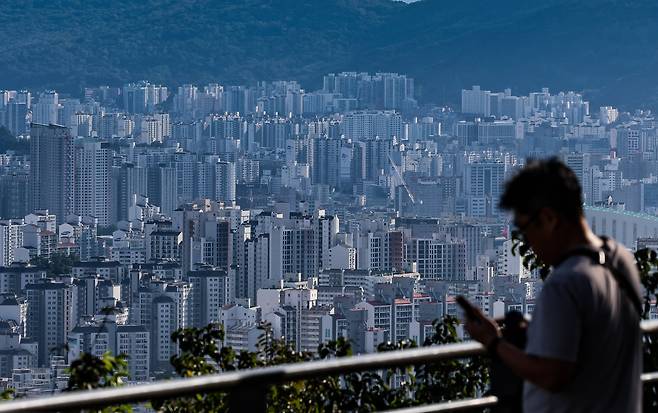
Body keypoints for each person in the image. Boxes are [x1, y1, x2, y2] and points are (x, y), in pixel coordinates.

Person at [463, 158, 642, 413]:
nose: (528, 243)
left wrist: (493, 343)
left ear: (548, 218)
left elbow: (552, 375)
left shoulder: (565, 283)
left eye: (525, 230)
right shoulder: (621, 260)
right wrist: (540, 332)